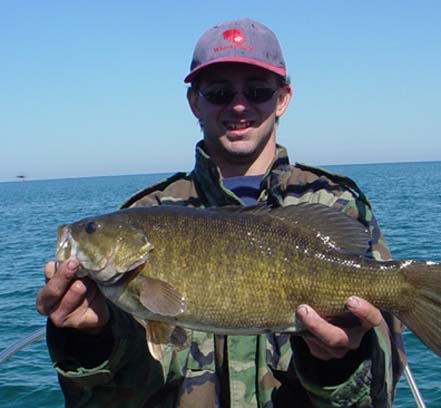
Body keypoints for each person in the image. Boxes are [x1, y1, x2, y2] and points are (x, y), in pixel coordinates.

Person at [36, 18, 405, 407]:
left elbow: (382, 385)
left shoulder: (337, 205)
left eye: (258, 91)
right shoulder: (146, 212)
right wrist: (89, 342)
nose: (239, 105)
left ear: (283, 98)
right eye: (219, 92)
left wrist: (337, 365)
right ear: (194, 102)